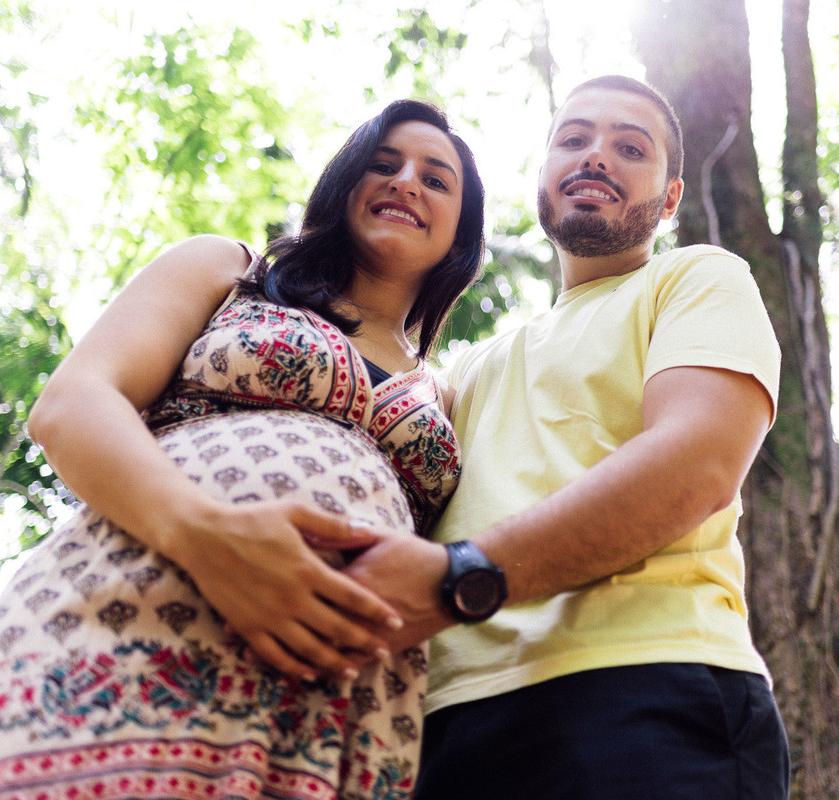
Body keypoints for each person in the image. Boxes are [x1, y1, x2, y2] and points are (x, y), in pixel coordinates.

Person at [0, 98, 484, 800]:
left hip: (334, 699)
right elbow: (73, 405)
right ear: (345, 183)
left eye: (436, 179)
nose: (406, 180)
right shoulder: (230, 272)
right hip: (131, 605)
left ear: (461, 234)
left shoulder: (443, 394)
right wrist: (206, 535)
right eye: (383, 164)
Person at [338, 75, 790, 799]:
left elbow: (697, 465)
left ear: (669, 197)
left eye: (630, 147)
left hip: (644, 686)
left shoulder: (694, 280)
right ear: (545, 174)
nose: (596, 156)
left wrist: (459, 579)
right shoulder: (467, 369)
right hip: (445, 729)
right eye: (574, 140)